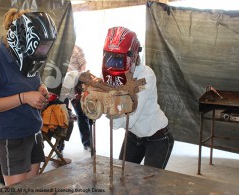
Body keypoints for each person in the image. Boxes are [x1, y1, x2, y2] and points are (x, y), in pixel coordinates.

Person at [0, 8, 57, 186]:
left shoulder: (29, 58)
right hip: (13, 137)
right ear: (23, 39)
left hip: (33, 131)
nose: (40, 51)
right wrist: (24, 98)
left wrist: (40, 88)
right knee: (17, 190)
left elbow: (32, 83)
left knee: (31, 187)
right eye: (37, 46)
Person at [102, 26, 174, 169]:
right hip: (133, 136)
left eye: (118, 58)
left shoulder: (146, 75)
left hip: (157, 137)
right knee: (123, 175)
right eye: (110, 57)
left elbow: (129, 118)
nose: (113, 63)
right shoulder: (109, 72)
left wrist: (109, 109)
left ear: (132, 55)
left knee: (149, 183)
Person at [60, 45, 92, 151]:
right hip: (61, 85)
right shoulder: (58, 48)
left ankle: (87, 143)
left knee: (81, 114)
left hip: (75, 85)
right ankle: (60, 145)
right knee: (61, 114)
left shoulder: (78, 49)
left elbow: (84, 65)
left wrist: (79, 78)